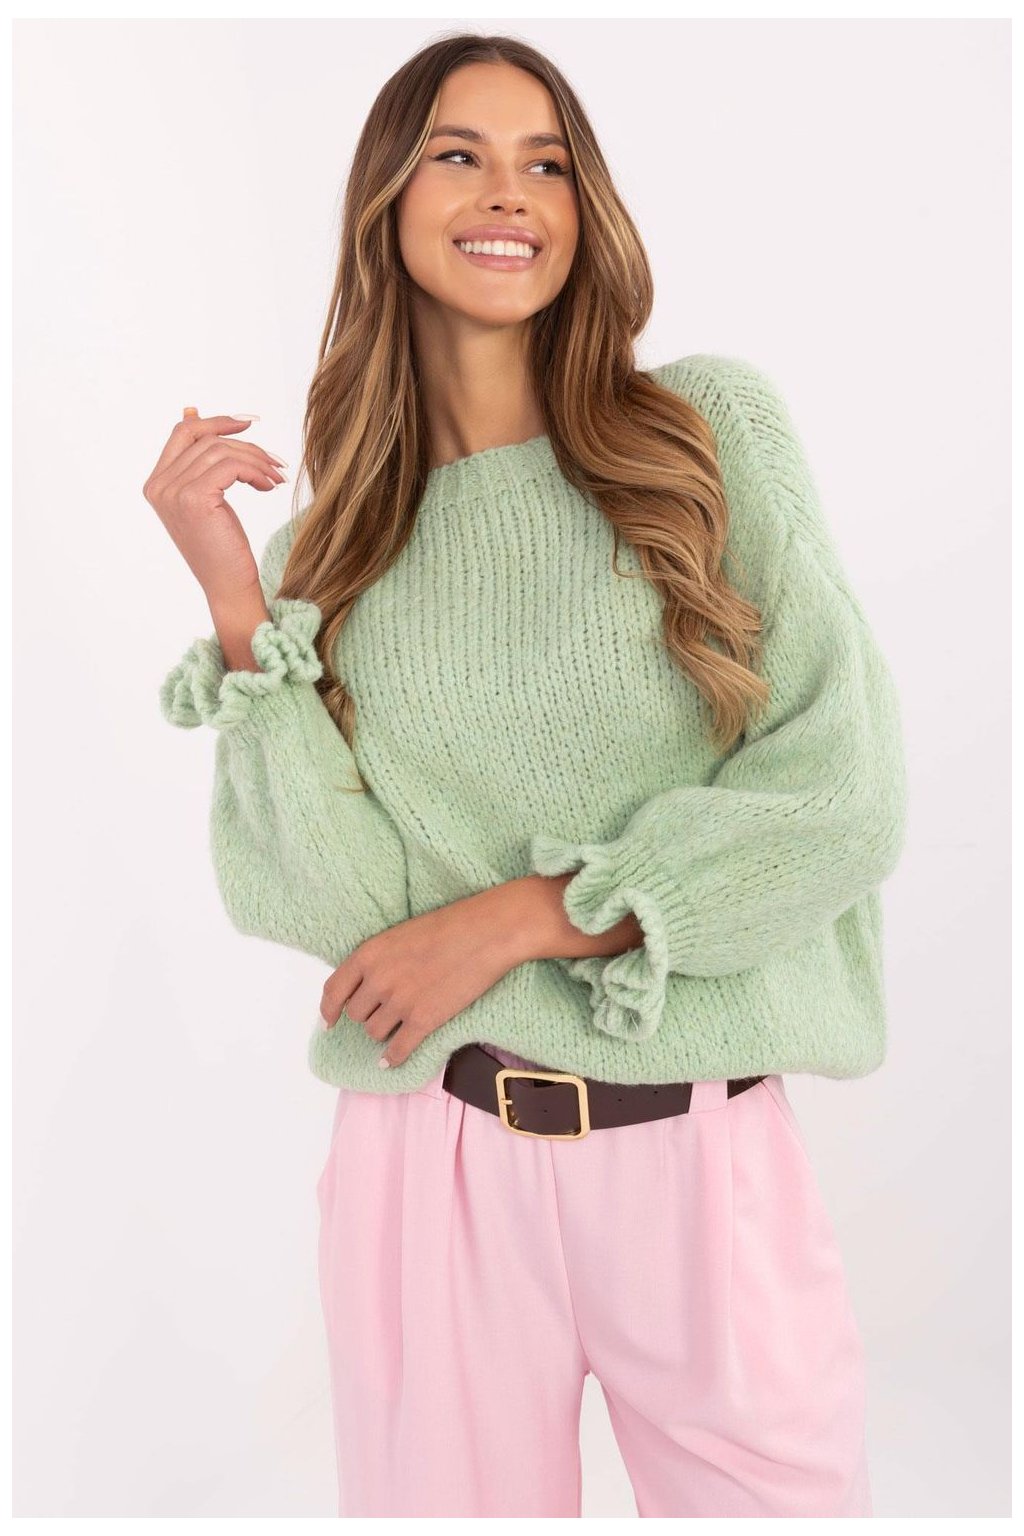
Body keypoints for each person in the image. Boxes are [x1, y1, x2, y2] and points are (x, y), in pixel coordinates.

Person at [146, 33, 906, 1520]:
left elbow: (843, 791)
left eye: (545, 162)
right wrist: (242, 606)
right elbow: (342, 920)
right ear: (386, 202)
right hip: (433, 1163)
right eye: (460, 154)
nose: (509, 193)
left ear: (582, 206)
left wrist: (522, 919)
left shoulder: (706, 435)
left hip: (699, 1151)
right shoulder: (327, 560)